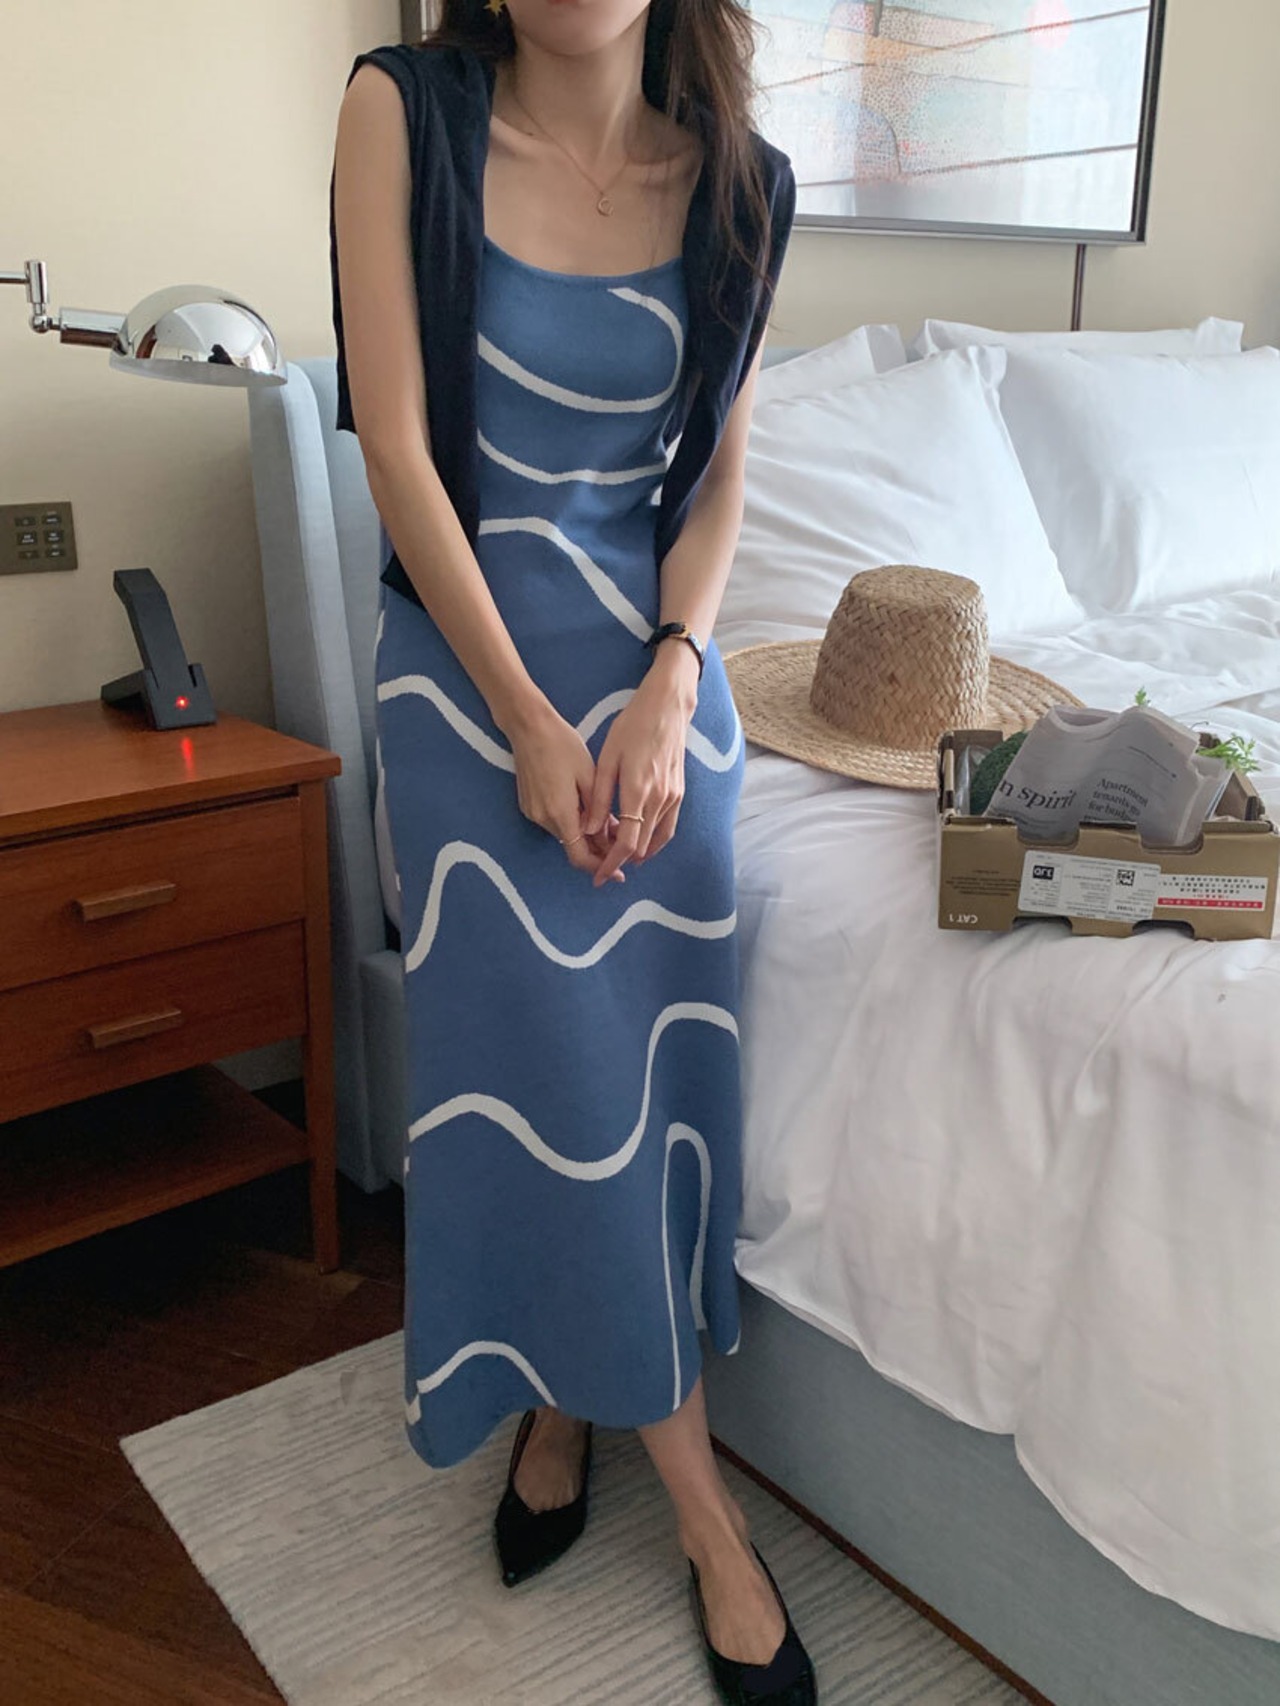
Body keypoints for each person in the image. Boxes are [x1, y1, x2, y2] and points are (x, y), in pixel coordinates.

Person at [330, 3, 811, 1698]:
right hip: (471, 673)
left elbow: (718, 482)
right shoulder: (403, 114)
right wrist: (530, 721)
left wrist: (673, 687)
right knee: (553, 1061)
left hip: (656, 685)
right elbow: (397, 450)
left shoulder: (745, 186)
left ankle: (564, 1401)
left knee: (640, 1089)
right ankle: (705, 1512)